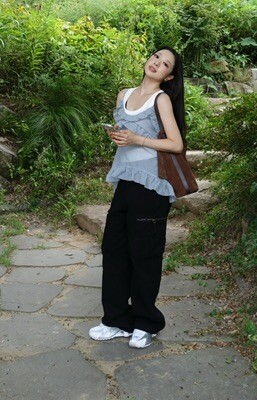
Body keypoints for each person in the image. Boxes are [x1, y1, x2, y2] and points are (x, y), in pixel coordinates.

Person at [89, 47, 186, 349]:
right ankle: (116, 320)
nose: (157, 63)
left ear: (169, 76)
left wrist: (136, 139)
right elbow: (126, 135)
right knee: (114, 250)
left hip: (152, 187)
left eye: (165, 64)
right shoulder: (124, 94)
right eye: (156, 57)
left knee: (144, 255)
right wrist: (119, 136)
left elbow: (176, 144)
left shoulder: (161, 99)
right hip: (125, 182)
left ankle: (146, 323)